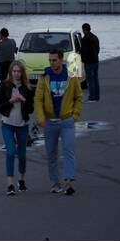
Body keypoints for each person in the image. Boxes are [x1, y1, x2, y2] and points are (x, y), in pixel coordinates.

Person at [35, 48, 83, 195]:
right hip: (50, 122)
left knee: (68, 150)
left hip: (66, 120)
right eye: (50, 60)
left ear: (61, 60)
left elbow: (78, 96)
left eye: (54, 60)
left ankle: (68, 182)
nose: (51, 62)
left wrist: (74, 115)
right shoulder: (44, 76)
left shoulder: (71, 76)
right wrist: (41, 117)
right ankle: (55, 183)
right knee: (51, 153)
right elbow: (38, 98)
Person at [0, 60, 34, 195]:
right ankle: (10, 184)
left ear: (22, 73)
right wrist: (11, 101)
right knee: (11, 152)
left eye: (19, 71)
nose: (16, 74)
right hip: (7, 124)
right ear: (10, 72)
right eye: (14, 71)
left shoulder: (27, 87)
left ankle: (21, 180)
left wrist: (23, 99)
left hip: (22, 125)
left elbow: (31, 109)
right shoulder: (3, 86)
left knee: (22, 155)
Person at [0, 27, 18, 93]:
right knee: (11, 77)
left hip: (3, 62)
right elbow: (15, 49)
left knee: (2, 78)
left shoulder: (0, 43)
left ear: (1, 35)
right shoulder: (13, 41)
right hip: (12, 62)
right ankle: (12, 89)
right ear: (8, 34)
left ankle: (4, 90)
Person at [81, 23, 100, 102]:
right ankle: (97, 96)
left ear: (84, 29)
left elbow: (84, 51)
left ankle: (92, 97)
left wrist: (83, 59)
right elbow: (98, 49)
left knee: (90, 80)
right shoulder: (95, 37)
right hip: (95, 61)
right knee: (95, 79)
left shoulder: (85, 39)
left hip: (89, 62)